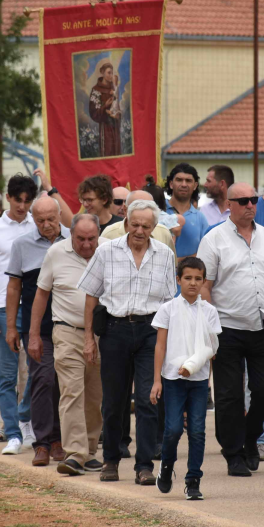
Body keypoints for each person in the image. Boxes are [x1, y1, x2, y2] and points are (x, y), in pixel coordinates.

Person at [79, 200, 177, 485]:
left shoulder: (165, 255)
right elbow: (90, 295)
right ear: (126, 222)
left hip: (150, 331)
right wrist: (88, 338)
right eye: (134, 224)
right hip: (115, 329)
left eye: (146, 226)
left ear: (153, 227)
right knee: (113, 401)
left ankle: (144, 465)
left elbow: (170, 303)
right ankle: (110, 460)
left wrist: (170, 342)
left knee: (148, 399)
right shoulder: (106, 251)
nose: (139, 230)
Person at [196, 183, 264, 477]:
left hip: (263, 327)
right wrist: (210, 327)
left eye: (253, 200)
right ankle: (233, 453)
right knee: (229, 395)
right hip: (227, 327)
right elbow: (204, 286)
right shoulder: (213, 239)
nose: (250, 205)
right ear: (229, 204)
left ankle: (248, 438)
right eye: (243, 200)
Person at [31, 214, 104, 475]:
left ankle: (91, 451)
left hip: (100, 335)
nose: (86, 244)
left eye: (91, 239)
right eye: (80, 239)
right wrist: (34, 334)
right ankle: (75, 453)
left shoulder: (107, 250)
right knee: (71, 391)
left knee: (94, 396)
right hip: (66, 331)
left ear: (98, 235)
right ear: (70, 234)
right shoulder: (55, 253)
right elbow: (42, 293)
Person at [151, 256, 221, 501]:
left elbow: (211, 349)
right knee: (171, 430)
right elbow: (160, 346)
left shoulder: (210, 312)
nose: (193, 283)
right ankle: (167, 467)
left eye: (198, 279)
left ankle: (193, 480)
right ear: (178, 279)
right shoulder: (168, 309)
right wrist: (157, 380)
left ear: (203, 281)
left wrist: (202, 375)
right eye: (188, 278)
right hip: (172, 379)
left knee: (198, 431)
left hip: (199, 382)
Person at [0, 175, 38, 453]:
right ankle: (12, 433)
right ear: (9, 198)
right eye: (18, 200)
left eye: (28, 201)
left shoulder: (38, 223)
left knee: (39, 370)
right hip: (3, 306)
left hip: (35, 304)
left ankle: (24, 416)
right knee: (7, 375)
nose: (23, 206)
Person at [6, 196, 68, 466]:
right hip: (38, 328)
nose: (46, 225)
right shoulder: (22, 245)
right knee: (43, 379)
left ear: (58, 215)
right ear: (33, 219)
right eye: (40, 220)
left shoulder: (74, 241)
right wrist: (11, 326)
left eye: (51, 219)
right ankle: (42, 443)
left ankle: (60, 439)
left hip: (68, 324)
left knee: (64, 382)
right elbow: (14, 288)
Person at [101, 190, 176, 252]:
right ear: (125, 209)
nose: (139, 231)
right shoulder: (109, 233)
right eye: (136, 208)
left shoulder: (163, 233)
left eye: (148, 208)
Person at [164, 163, 208, 257]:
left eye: (188, 181)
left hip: (189, 271)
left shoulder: (200, 218)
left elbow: (206, 253)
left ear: (195, 185)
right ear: (171, 184)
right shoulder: (158, 211)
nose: (184, 184)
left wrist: (178, 263)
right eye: (179, 180)